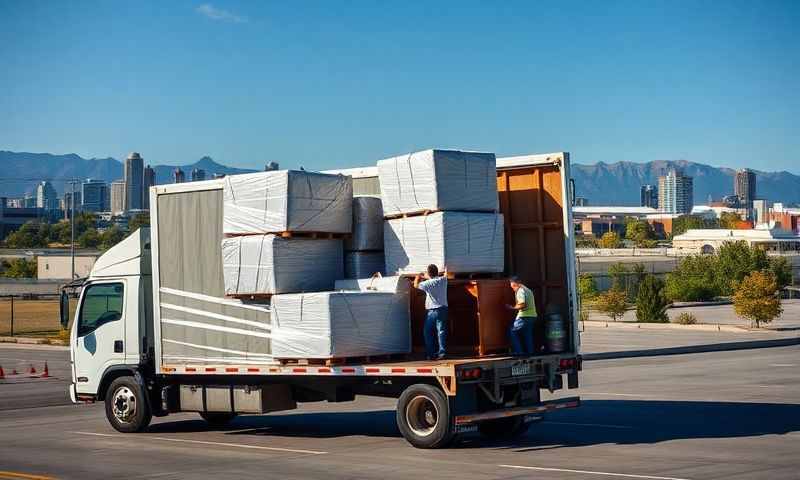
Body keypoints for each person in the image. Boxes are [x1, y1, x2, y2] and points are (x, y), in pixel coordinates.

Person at [414, 264, 448, 360]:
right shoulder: (443, 280)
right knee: (441, 331)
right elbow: (446, 274)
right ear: (437, 272)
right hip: (443, 309)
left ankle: (431, 354)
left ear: (428, 274)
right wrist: (446, 268)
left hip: (432, 311)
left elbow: (415, 285)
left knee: (427, 332)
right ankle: (442, 353)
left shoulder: (427, 283)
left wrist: (418, 276)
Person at [505, 276, 538, 355]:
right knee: (527, 334)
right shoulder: (528, 290)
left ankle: (519, 352)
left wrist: (512, 307)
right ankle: (530, 352)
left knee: (512, 331)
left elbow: (522, 304)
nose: (512, 288)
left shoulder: (520, 290)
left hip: (524, 316)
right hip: (533, 316)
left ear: (517, 283)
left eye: (513, 286)